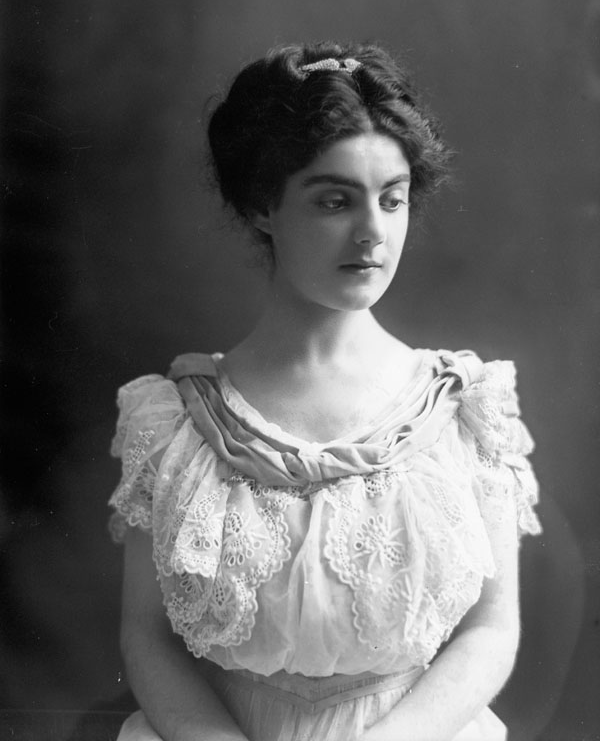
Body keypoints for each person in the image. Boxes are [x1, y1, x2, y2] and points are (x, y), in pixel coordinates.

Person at [109, 41, 542, 741]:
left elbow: (492, 628)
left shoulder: (464, 407)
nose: (373, 232)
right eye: (335, 201)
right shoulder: (173, 421)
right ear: (263, 207)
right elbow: (147, 637)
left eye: (392, 199)